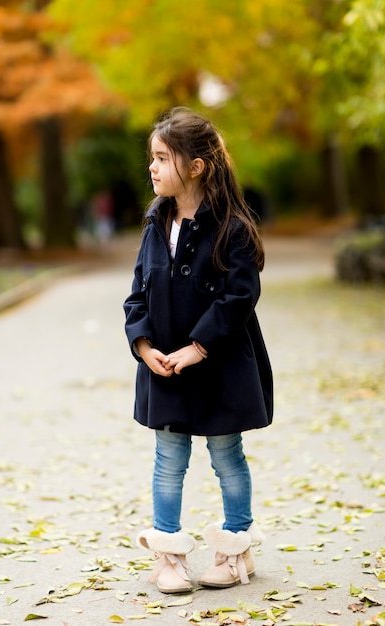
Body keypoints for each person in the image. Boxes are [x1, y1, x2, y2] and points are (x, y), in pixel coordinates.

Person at [123, 107, 273, 594]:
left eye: (162, 158)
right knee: (169, 457)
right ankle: (167, 555)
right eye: (152, 158)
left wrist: (199, 346)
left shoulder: (232, 228)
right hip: (164, 365)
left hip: (219, 364)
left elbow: (239, 297)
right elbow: (136, 293)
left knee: (227, 454)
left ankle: (235, 549)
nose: (152, 167)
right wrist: (143, 343)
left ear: (196, 165)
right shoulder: (154, 223)